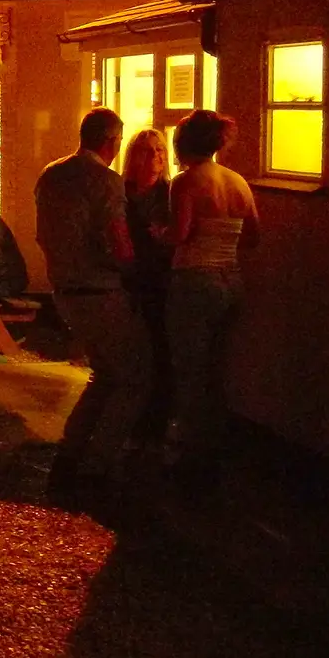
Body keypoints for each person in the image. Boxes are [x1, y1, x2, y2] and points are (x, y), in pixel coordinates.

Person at [35, 107, 148, 500]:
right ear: (112, 141)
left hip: (65, 289)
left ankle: (71, 453)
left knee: (105, 375)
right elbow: (117, 238)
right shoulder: (106, 181)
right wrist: (134, 271)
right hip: (101, 290)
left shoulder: (51, 174)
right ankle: (98, 464)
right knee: (133, 378)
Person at [166, 110, 260, 486]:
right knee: (218, 368)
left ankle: (191, 454)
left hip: (194, 279)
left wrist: (161, 232)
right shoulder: (237, 182)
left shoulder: (186, 182)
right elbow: (253, 236)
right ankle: (215, 447)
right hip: (231, 279)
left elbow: (181, 234)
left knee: (190, 368)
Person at [123, 128, 175, 443]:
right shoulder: (121, 191)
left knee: (158, 349)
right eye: (147, 151)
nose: (155, 158)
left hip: (158, 280)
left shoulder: (168, 194)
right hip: (127, 278)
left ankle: (154, 421)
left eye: (160, 151)